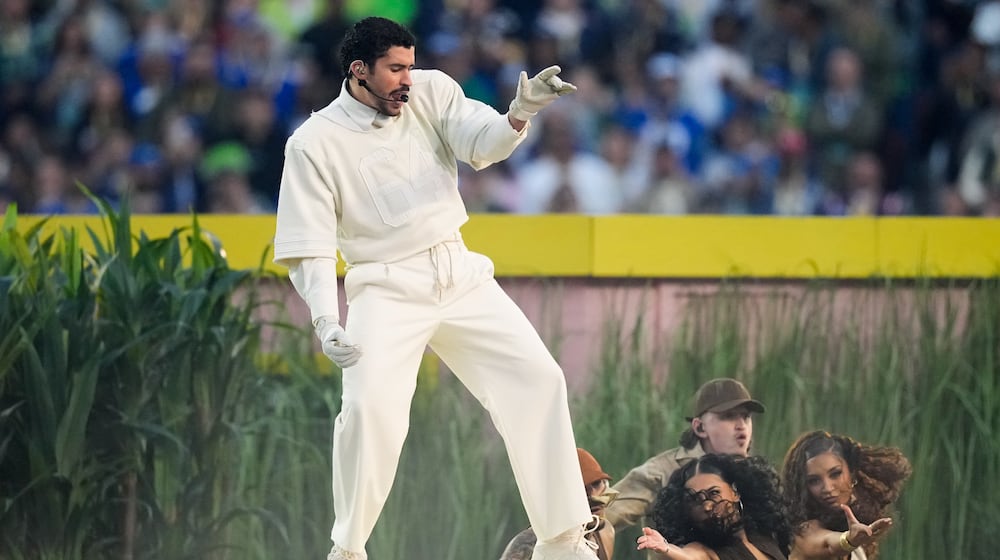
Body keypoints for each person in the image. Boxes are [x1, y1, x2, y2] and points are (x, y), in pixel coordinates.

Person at [271, 16, 594, 560]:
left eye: (410, 65)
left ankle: (561, 543)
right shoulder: (313, 142)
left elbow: (482, 146)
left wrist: (522, 112)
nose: (407, 78)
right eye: (395, 68)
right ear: (358, 70)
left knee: (539, 379)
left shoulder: (431, 91)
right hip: (384, 285)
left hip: (458, 269)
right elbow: (311, 247)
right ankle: (347, 551)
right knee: (370, 410)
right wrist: (327, 320)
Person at [605, 378, 766, 534]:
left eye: (746, 416)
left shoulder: (756, 474)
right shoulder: (662, 472)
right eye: (728, 416)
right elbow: (598, 519)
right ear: (700, 427)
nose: (741, 426)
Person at [780, 431, 911, 560]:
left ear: (852, 473)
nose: (828, 488)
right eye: (814, 481)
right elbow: (828, 544)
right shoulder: (803, 532)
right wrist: (848, 539)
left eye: (835, 474)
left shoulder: (858, 544)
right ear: (802, 487)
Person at [636, 454, 791, 559]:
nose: (707, 506)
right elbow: (691, 555)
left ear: (735, 492)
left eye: (714, 493)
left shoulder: (764, 535)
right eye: (695, 500)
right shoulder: (706, 550)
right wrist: (667, 548)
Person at [500, 448, 618, 560]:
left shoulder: (605, 533)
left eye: (596, 483)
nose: (593, 495)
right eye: (581, 488)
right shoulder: (528, 545)